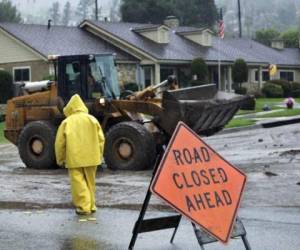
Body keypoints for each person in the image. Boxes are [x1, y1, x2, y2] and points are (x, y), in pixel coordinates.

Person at [55, 94, 105, 215]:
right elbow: (101, 140)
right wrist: (99, 155)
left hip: (74, 158)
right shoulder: (92, 120)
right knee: (90, 183)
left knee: (78, 183)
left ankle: (84, 207)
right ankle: (92, 205)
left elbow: (60, 143)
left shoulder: (66, 122)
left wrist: (60, 159)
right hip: (92, 157)